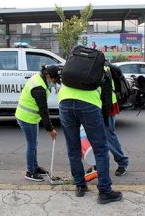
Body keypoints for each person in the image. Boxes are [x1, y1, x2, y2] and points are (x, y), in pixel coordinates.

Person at [58, 70, 122, 204]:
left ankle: (80, 186)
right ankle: (104, 191)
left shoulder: (71, 64)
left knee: (73, 149)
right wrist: (103, 122)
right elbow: (106, 99)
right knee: (101, 150)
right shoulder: (103, 69)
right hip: (88, 105)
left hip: (64, 104)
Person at [15, 65, 59, 182]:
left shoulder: (40, 78)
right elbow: (44, 111)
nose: (54, 83)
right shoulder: (39, 87)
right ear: (49, 76)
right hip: (26, 117)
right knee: (32, 144)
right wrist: (50, 130)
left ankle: (35, 167)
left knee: (34, 143)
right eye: (54, 80)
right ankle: (30, 172)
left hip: (30, 117)